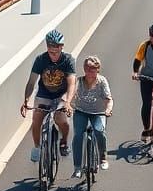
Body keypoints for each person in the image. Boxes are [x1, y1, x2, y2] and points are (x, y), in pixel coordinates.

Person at [21, 30, 76, 162]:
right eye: (51, 52)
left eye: (56, 52)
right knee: (36, 120)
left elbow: (72, 83)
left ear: (61, 47)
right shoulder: (41, 59)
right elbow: (31, 82)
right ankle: (36, 147)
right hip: (44, 93)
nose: (53, 55)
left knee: (62, 120)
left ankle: (63, 141)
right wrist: (26, 100)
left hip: (61, 94)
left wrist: (68, 102)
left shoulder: (68, 60)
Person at [70, 55, 113, 178]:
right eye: (87, 68)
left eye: (93, 68)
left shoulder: (102, 82)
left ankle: (103, 158)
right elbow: (71, 94)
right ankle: (77, 167)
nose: (90, 71)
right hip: (81, 111)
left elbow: (109, 99)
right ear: (84, 69)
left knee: (99, 131)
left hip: (98, 113)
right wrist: (68, 105)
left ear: (98, 69)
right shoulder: (79, 81)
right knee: (78, 135)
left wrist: (108, 109)